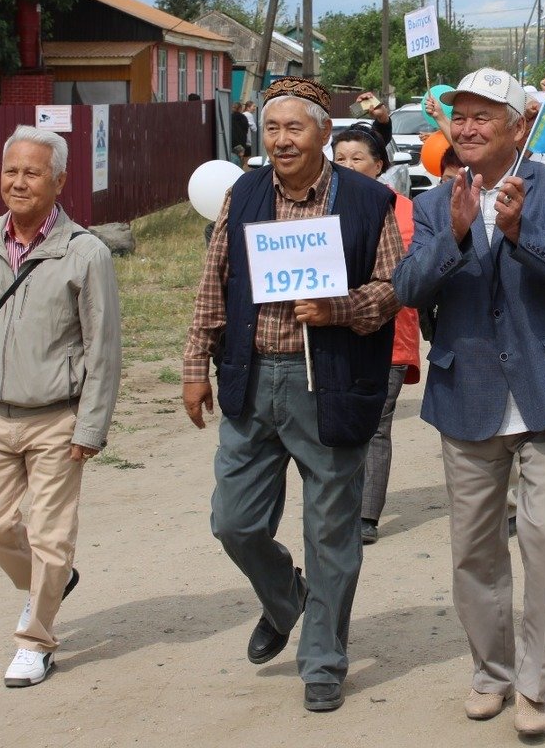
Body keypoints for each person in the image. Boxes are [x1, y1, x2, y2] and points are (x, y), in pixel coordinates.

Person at [392, 67, 545, 736]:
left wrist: (519, 235)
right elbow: (405, 288)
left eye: (485, 116)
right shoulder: (432, 203)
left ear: (518, 128)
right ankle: (492, 673)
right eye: (460, 116)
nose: (468, 127)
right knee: (474, 550)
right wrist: (455, 237)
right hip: (468, 394)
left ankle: (536, 686)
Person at [182, 76, 403, 713]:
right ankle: (286, 597)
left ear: (324, 135)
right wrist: (197, 363)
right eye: (271, 129)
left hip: (329, 384)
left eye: (293, 128)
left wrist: (341, 308)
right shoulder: (245, 194)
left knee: (330, 532)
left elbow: (395, 284)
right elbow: (213, 282)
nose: (280, 140)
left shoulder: (365, 201)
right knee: (235, 523)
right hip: (252, 380)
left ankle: (324, 661)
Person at [0, 125, 122, 688]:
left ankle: (35, 640)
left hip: (57, 419)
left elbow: (103, 349)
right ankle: (53, 580)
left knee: (50, 535)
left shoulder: (85, 253)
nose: (19, 182)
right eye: (11, 170)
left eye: (32, 172)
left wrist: (91, 426)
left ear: (58, 181)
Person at [331, 128, 421, 545]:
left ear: (379, 166)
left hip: (392, 337)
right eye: (340, 158)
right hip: (329, 334)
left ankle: (366, 515)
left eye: (356, 159)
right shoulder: (321, 211)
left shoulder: (406, 212)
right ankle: (335, 505)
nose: (346, 166)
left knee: (377, 425)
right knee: (332, 422)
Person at [230, 100, 253, 166]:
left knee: (232, 160)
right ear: (240, 109)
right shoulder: (244, 117)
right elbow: (246, 130)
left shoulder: (230, 117)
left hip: (232, 142)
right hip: (242, 142)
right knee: (240, 160)